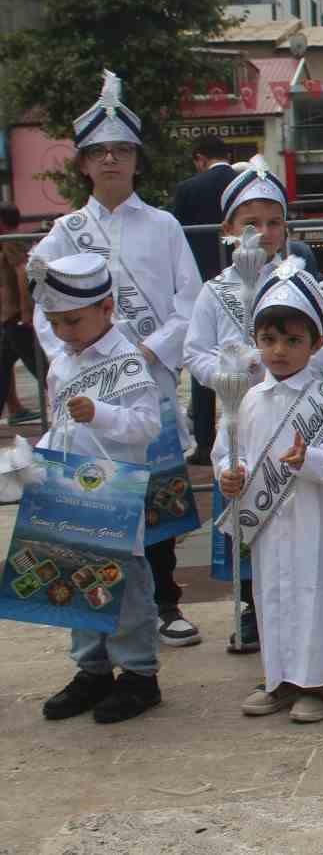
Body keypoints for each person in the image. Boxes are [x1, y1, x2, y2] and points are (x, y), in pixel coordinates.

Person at [30, 71, 204, 650]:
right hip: (84, 385)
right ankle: (95, 627)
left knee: (153, 496)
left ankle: (166, 602)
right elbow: (42, 313)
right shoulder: (63, 232)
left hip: (146, 379)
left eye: (122, 150)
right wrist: (70, 357)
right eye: (99, 152)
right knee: (95, 502)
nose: (111, 160)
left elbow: (190, 303)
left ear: (136, 159)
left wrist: (145, 353)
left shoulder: (164, 225)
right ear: (82, 163)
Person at [184, 158, 323, 653]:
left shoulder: (301, 282)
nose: (265, 232)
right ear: (230, 229)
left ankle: (306, 606)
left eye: (275, 222)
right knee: (247, 501)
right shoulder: (215, 290)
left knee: (296, 509)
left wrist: (292, 367)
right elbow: (194, 351)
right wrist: (230, 375)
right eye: (252, 223)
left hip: (296, 408)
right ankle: (253, 606)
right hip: (242, 414)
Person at [219, 259, 323, 723]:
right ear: (256, 342)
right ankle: (280, 678)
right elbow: (228, 449)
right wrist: (228, 474)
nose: (279, 351)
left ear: (317, 343)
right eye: (269, 340)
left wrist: (310, 460)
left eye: (293, 340)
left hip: (313, 520)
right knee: (272, 595)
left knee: (314, 594)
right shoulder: (247, 398)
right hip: (264, 522)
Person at [34, 253, 164, 723]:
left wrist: (103, 414)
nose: (64, 332)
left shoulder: (128, 362)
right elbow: (59, 422)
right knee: (74, 574)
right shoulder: (61, 363)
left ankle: (137, 673)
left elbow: (148, 426)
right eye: (55, 323)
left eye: (73, 320)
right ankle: (91, 669)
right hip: (69, 484)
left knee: (123, 582)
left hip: (114, 489)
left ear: (106, 308)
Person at [171, 138, 237, 465]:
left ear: (199, 158)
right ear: (227, 156)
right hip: (246, 279)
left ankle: (205, 442)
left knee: (204, 360)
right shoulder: (245, 182)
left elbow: (176, 240)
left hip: (203, 283)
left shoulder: (187, 190)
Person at [0, 204, 42, 425]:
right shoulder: (8, 240)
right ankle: (15, 410)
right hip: (9, 319)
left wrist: (26, 312)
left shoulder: (10, 241)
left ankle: (69, 403)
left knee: (39, 366)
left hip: (16, 318)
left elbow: (22, 272)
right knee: (3, 365)